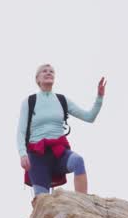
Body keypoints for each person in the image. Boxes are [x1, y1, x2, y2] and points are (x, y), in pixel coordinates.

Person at [18, 64, 106, 197]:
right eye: (44, 71)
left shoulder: (61, 100)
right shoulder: (29, 101)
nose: (48, 73)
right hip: (37, 156)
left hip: (58, 151)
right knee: (42, 200)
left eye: (51, 71)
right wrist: (22, 154)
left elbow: (89, 117)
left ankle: (83, 203)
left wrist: (99, 97)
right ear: (38, 79)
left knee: (78, 161)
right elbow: (21, 131)